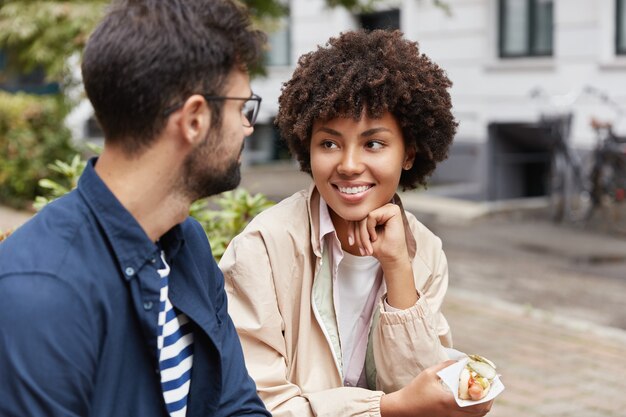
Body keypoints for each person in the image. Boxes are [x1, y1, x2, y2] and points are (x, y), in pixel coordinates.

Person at [0, 1, 270, 416]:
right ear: (195, 119)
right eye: (242, 108)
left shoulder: (189, 246)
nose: (248, 126)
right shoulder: (39, 291)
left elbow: (235, 406)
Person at [219, 30, 494, 417]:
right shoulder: (263, 248)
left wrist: (398, 267)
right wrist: (386, 408)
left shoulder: (425, 251)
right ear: (306, 146)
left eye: (374, 144)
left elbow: (420, 386)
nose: (348, 165)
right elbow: (257, 405)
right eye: (329, 143)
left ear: (409, 152)